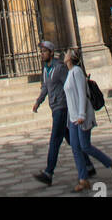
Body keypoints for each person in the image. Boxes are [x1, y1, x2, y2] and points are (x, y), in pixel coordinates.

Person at [32, 39, 96, 186]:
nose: (41, 54)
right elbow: (45, 88)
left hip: (62, 107)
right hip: (55, 107)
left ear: (51, 52)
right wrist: (38, 101)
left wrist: (78, 109)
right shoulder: (45, 69)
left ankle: (48, 172)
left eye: (44, 51)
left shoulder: (59, 68)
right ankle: (88, 165)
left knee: (55, 140)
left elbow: (70, 84)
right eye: (41, 52)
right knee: (70, 139)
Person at [64, 48, 112, 192]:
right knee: (76, 149)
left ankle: (111, 163)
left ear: (70, 58)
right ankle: (83, 179)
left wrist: (82, 115)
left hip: (81, 116)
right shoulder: (70, 73)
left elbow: (83, 94)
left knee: (85, 146)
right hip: (72, 118)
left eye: (66, 53)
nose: (64, 55)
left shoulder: (77, 72)